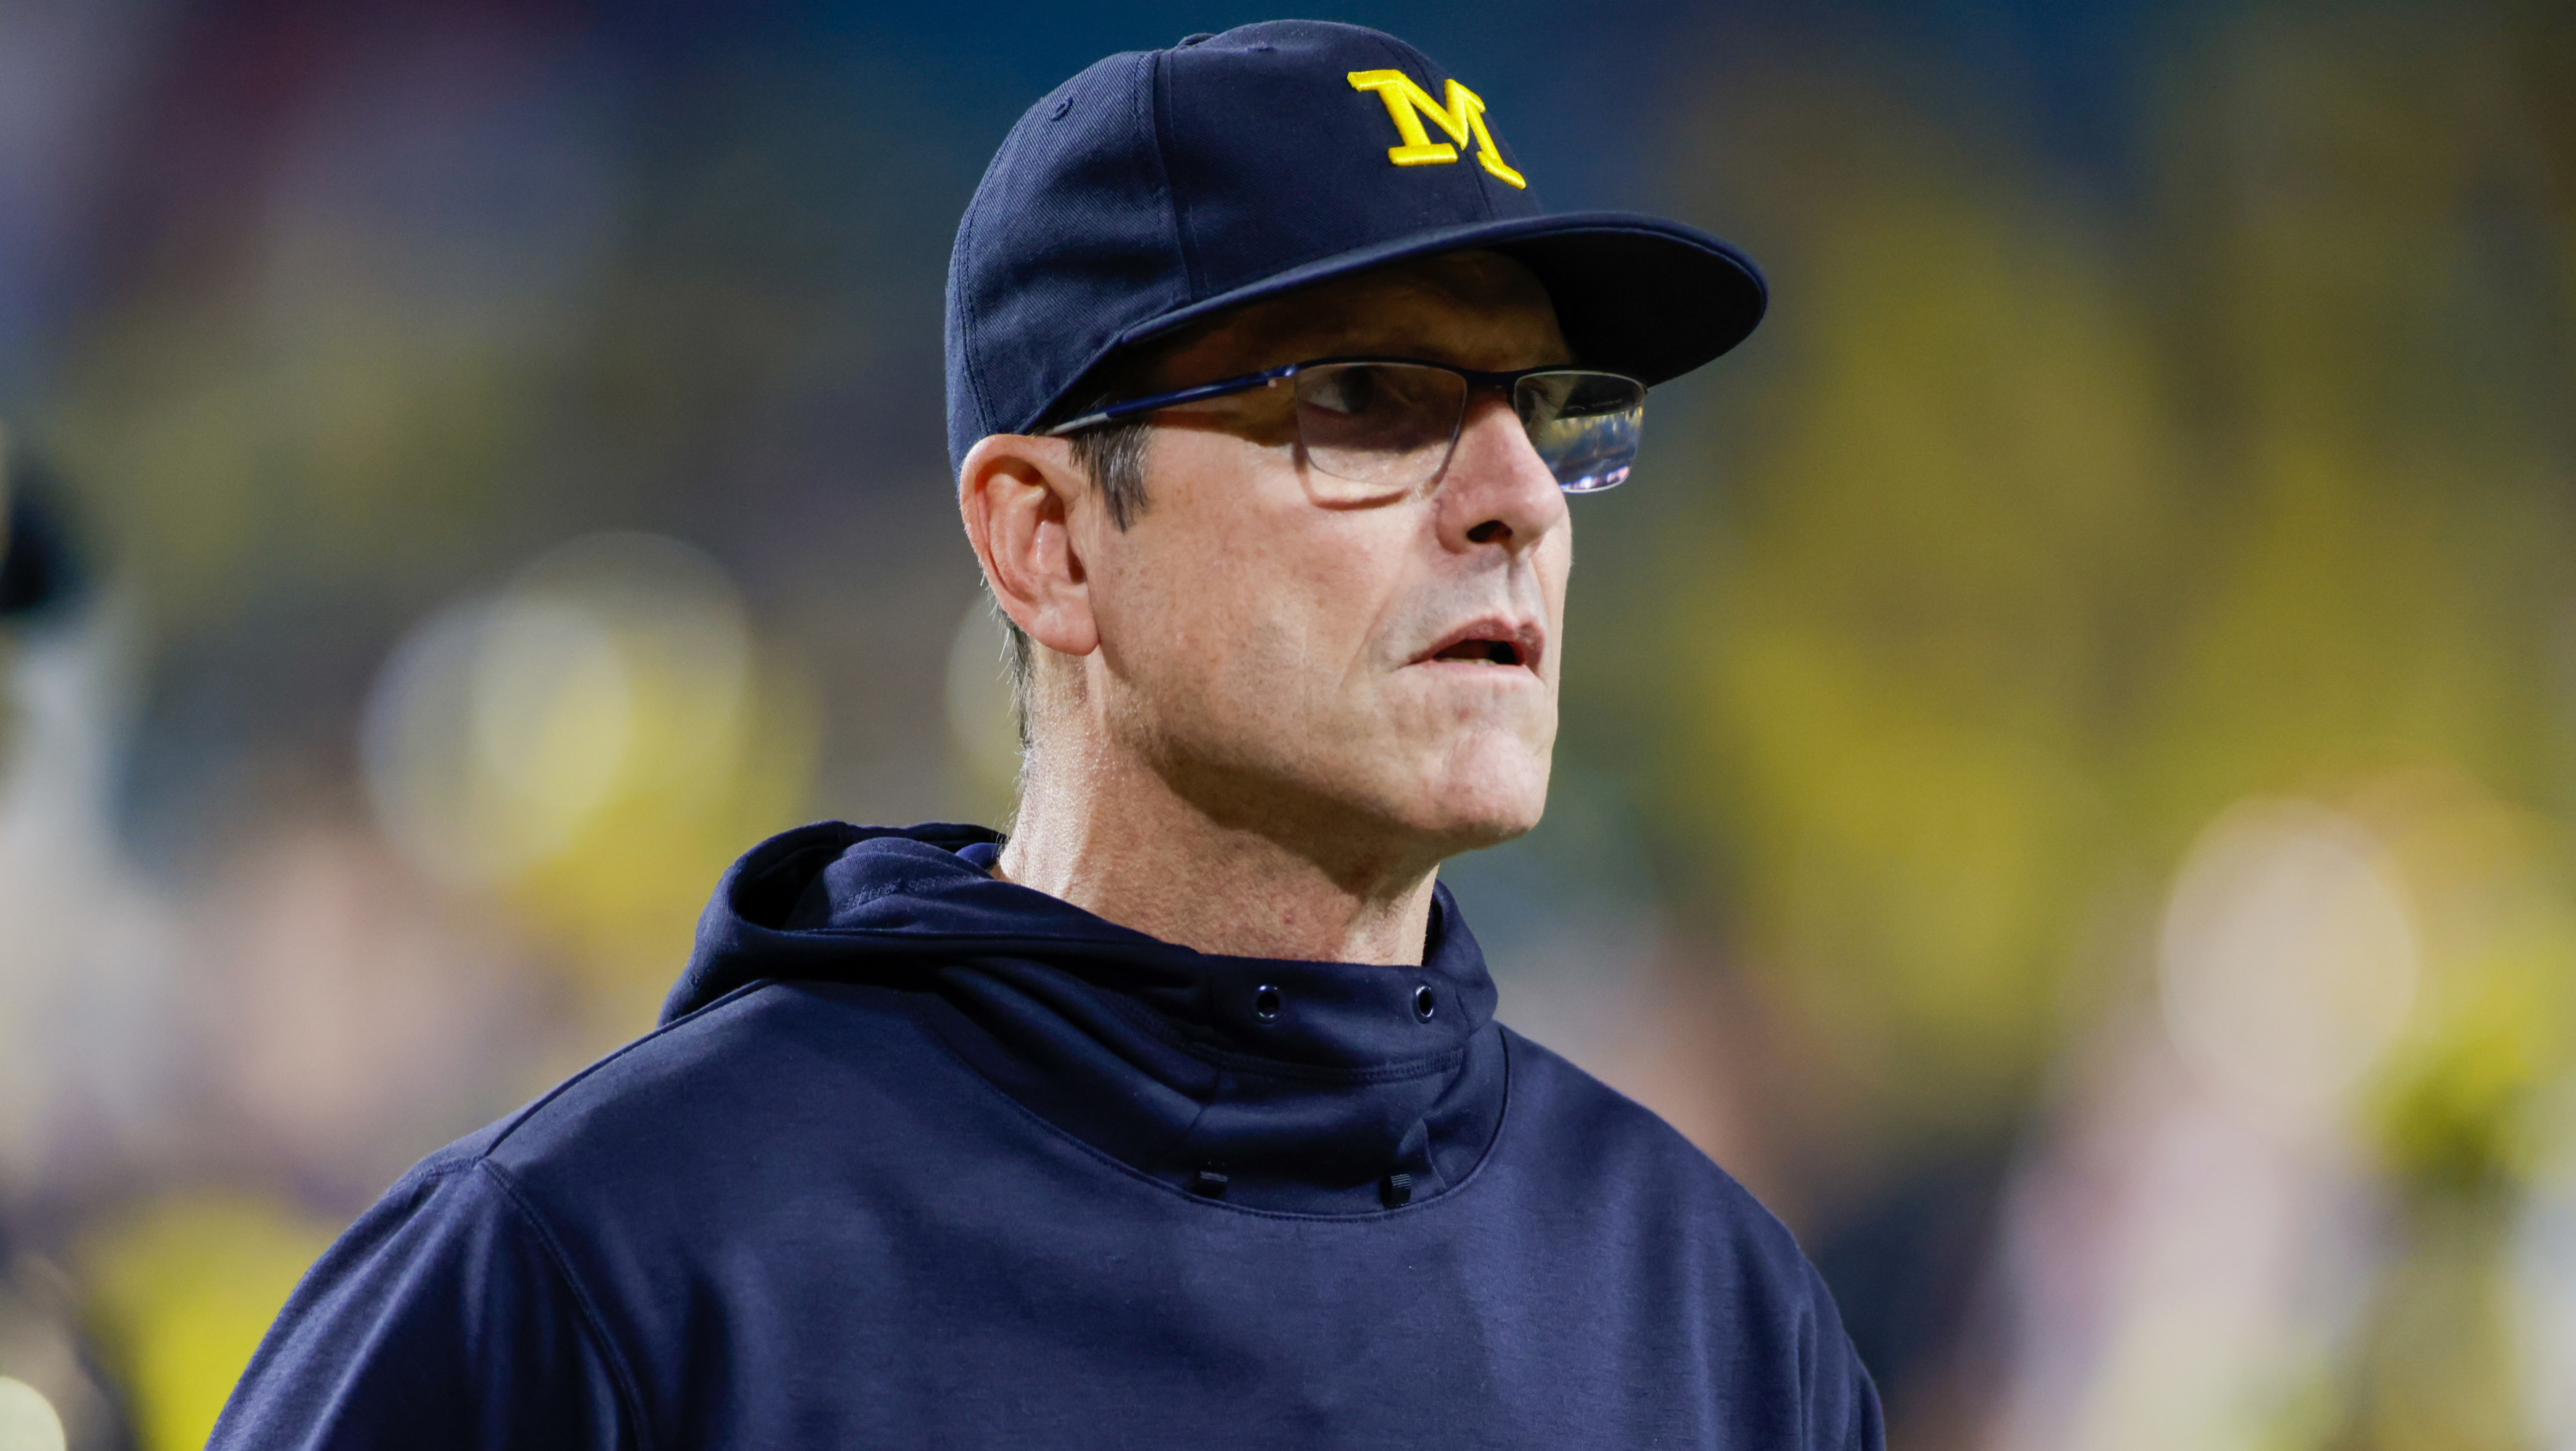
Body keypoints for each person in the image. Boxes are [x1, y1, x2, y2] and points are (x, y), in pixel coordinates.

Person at [214, 20, 1880, 1449]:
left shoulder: (1709, 1310)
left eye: (1545, 407)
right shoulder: (606, 1267)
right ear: (1047, 542)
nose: (1517, 495)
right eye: (1368, 399)